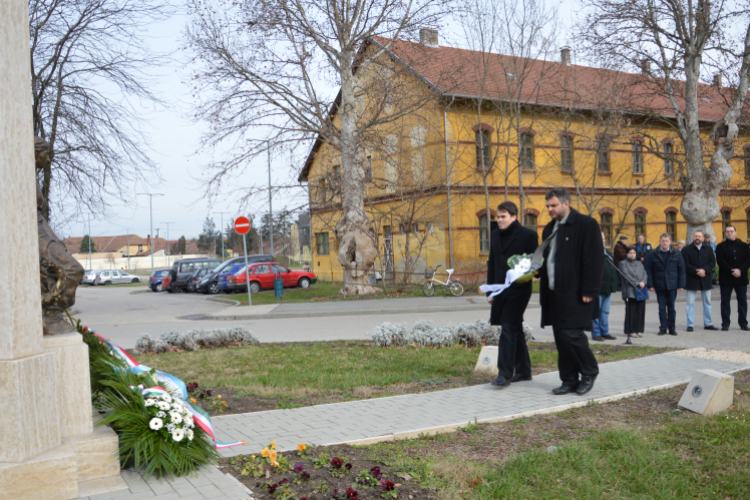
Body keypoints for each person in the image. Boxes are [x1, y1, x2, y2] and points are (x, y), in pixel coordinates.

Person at [538, 188, 603, 396]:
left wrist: (590, 289)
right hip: (553, 293)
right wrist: (537, 269)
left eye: (554, 205)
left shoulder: (586, 225)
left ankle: (589, 371)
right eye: (548, 206)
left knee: (572, 334)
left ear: (566, 203)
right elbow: (551, 258)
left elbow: (594, 260)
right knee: (560, 337)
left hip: (577, 293)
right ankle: (568, 379)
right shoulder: (549, 229)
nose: (550, 209)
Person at [486, 201, 539, 388]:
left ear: (514, 217)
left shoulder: (528, 235)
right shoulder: (494, 234)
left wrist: (530, 272)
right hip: (500, 289)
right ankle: (524, 371)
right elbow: (492, 262)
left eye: (503, 217)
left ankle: (504, 374)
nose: (499, 220)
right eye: (498, 217)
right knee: (514, 328)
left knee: (507, 328)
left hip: (519, 291)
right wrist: (490, 291)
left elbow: (536, 263)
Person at [646, 234, 686, 335]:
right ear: (660, 241)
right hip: (659, 285)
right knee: (661, 308)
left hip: (672, 284)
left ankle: (672, 328)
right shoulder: (653, 254)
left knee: (671, 307)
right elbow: (648, 270)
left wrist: (681, 284)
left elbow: (681, 269)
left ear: (670, 242)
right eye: (663, 241)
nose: (665, 243)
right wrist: (650, 284)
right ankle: (663, 328)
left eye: (666, 241)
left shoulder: (676, 253)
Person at [715, 225, 750, 331]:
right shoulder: (720, 246)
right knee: (725, 301)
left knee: (742, 301)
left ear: (735, 232)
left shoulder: (744, 246)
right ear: (725, 233)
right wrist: (732, 270)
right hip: (726, 278)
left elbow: (748, 260)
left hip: (741, 277)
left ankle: (743, 323)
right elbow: (721, 261)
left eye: (731, 231)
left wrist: (740, 270)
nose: (729, 233)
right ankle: (725, 323)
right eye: (727, 231)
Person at [681, 230, 717, 332]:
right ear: (693, 237)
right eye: (696, 236)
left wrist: (705, 270)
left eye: (699, 236)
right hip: (692, 279)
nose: (697, 238)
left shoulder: (709, 249)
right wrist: (697, 271)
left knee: (707, 302)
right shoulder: (686, 249)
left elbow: (712, 263)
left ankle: (708, 323)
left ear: (702, 238)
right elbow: (685, 264)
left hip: (705, 279)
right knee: (690, 303)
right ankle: (690, 324)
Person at [592, 232, 618, 341]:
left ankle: (605, 331)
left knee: (605, 312)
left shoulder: (607, 252)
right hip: (598, 288)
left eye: (604, 238)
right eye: (600, 238)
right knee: (596, 312)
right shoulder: (592, 252)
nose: (603, 240)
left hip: (608, 287)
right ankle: (596, 333)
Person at [620, 246, 648, 338]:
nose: (632, 255)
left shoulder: (640, 263)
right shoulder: (623, 263)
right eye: (630, 253)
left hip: (641, 290)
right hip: (630, 290)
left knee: (640, 310)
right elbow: (626, 276)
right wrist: (637, 283)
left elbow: (645, 273)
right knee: (631, 311)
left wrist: (643, 282)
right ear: (627, 254)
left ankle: (639, 330)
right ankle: (631, 330)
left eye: (634, 253)